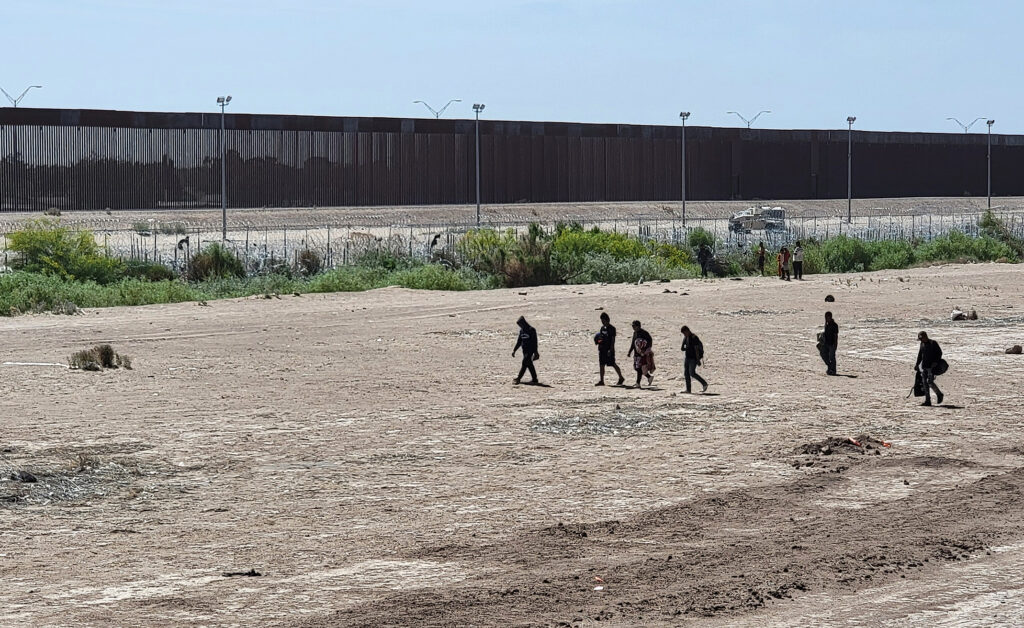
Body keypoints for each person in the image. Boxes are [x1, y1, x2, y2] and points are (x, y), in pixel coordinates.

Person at [595, 312, 625, 386]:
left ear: (607, 320)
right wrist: (598, 341)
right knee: (601, 365)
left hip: (608, 349)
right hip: (602, 349)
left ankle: (621, 377)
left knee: (612, 364)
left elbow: (612, 340)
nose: (602, 322)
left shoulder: (612, 328)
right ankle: (601, 380)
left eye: (603, 320)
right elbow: (601, 338)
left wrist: (610, 350)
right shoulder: (602, 328)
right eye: (601, 320)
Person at [915, 331, 945, 406]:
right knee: (925, 383)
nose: (921, 340)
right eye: (920, 339)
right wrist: (917, 365)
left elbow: (939, 353)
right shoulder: (921, 344)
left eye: (921, 339)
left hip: (931, 367)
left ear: (925, 337)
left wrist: (935, 362)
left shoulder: (933, 343)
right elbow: (920, 355)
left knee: (930, 382)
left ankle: (939, 394)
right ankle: (928, 401)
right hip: (924, 366)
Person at [626, 320, 655, 388]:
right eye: (632, 326)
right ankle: (649, 377)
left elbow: (650, 342)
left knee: (639, 368)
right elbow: (633, 343)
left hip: (642, 354)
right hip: (636, 353)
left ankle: (638, 383)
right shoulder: (635, 333)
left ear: (638, 326)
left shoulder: (644, 333)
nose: (633, 327)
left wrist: (646, 350)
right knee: (636, 368)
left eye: (634, 326)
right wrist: (630, 351)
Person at [680, 326, 708, 393]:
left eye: (684, 333)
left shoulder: (694, 337)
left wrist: (698, 360)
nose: (684, 334)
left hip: (693, 358)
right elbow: (682, 348)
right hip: (687, 357)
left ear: (687, 330)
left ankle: (704, 383)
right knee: (686, 373)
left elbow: (696, 349)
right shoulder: (686, 337)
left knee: (692, 373)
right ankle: (688, 389)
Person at [512, 316, 539, 385]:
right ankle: (535, 379)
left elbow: (535, 342)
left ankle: (518, 378)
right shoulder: (521, 331)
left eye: (520, 324)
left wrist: (536, 352)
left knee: (524, 363)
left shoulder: (531, 330)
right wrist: (514, 350)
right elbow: (519, 341)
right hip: (524, 350)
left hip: (530, 350)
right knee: (529, 364)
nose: (520, 326)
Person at [819, 311, 838, 375]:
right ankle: (830, 367)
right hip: (826, 343)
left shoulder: (834, 325)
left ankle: (833, 370)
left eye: (828, 317)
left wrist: (835, 345)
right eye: (826, 317)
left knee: (832, 357)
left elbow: (835, 335)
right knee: (822, 353)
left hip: (832, 343)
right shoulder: (826, 325)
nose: (827, 318)